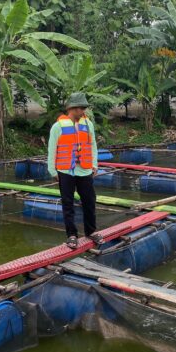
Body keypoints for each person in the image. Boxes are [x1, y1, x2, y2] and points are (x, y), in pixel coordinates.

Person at [47, 92, 99, 249]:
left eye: (83, 108)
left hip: (84, 170)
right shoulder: (58, 127)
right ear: (71, 108)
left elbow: (93, 145)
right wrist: (52, 170)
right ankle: (71, 235)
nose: (82, 111)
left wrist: (94, 164)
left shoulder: (88, 124)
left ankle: (91, 231)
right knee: (68, 204)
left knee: (89, 201)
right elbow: (52, 149)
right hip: (65, 171)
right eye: (79, 108)